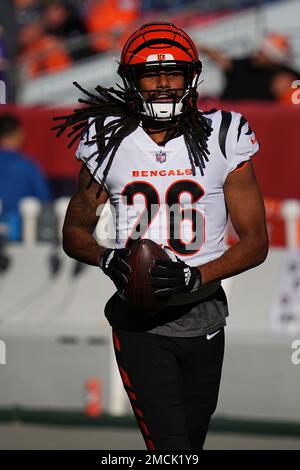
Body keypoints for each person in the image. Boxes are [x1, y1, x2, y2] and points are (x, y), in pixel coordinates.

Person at [54, 22, 268, 450]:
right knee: (170, 450)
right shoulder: (107, 139)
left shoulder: (224, 134)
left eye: (175, 72)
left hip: (205, 314)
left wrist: (197, 276)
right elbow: (74, 232)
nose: (165, 84)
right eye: (152, 74)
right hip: (139, 322)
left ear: (194, 76)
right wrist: (109, 258)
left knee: (190, 445)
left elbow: (255, 242)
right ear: (131, 80)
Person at [198, 32, 300, 101]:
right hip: (232, 113)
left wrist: (287, 91)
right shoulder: (247, 64)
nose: (258, 54)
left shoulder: (287, 77)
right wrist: (200, 47)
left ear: (273, 59)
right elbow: (223, 60)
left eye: (263, 53)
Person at [0, 113, 51, 239]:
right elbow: (45, 202)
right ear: (19, 133)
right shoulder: (28, 166)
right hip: (22, 235)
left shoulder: (28, 166)